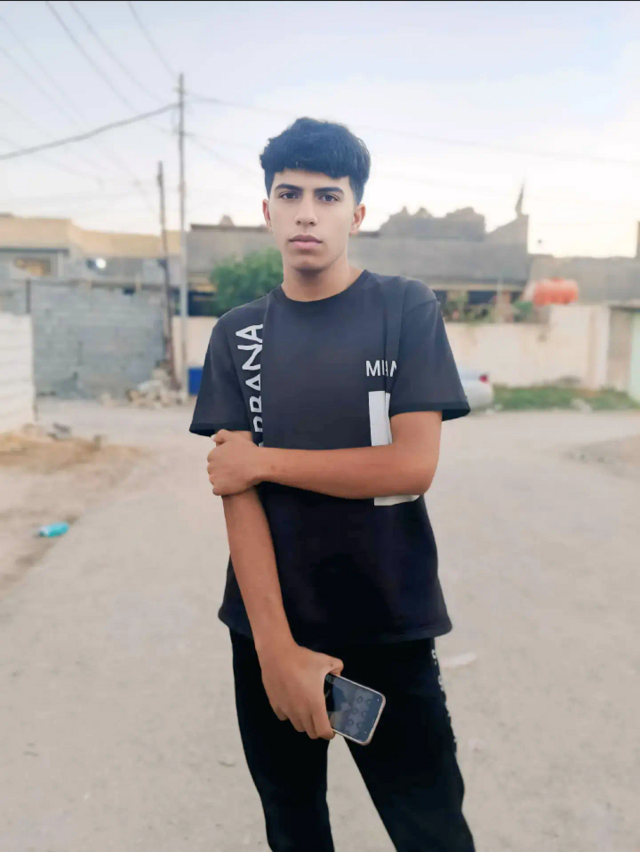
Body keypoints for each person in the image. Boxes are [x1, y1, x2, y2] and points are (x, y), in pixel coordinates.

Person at [189, 117, 476, 851]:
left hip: (390, 623)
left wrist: (268, 460)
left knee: (433, 831)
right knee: (294, 831)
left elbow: (411, 465)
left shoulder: (404, 307)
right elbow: (237, 496)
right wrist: (275, 651)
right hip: (269, 629)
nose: (307, 213)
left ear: (357, 213)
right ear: (267, 211)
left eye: (328, 196)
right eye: (289, 195)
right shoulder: (238, 334)